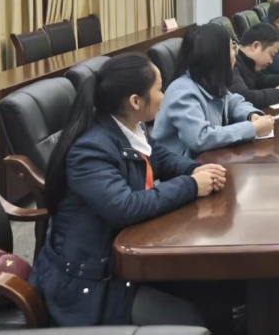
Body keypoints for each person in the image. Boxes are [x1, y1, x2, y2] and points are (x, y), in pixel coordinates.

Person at [31, 54, 227, 327]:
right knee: (192, 319)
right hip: (90, 285)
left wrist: (196, 169)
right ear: (135, 101)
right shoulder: (90, 149)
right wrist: (191, 185)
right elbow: (125, 207)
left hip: (124, 259)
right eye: (159, 89)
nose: (164, 95)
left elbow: (161, 158)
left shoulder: (129, 126)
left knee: (218, 290)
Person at [153, 23, 274, 157]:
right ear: (218, 55)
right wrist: (252, 128)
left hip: (205, 161)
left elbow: (234, 102)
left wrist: (251, 115)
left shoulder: (208, 81)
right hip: (180, 166)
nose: (235, 53)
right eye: (232, 48)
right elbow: (200, 138)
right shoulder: (182, 91)